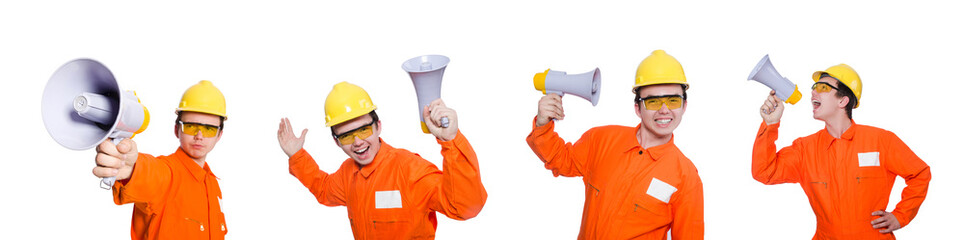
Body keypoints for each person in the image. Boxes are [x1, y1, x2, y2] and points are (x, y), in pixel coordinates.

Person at [526, 50, 703, 239]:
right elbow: (560, 160)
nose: (664, 110)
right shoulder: (601, 140)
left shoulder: (686, 177)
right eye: (653, 102)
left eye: (673, 100)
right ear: (638, 107)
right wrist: (543, 124)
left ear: (684, 106)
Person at [277, 81, 487, 239]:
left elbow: (465, 207)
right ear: (337, 142)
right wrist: (297, 156)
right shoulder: (347, 174)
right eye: (347, 135)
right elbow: (323, 189)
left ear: (378, 126)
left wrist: (450, 140)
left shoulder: (410, 169)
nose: (358, 141)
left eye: (364, 129)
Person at [754, 63, 931, 239]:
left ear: (843, 100)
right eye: (814, 87)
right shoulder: (805, 149)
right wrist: (770, 125)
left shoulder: (881, 141)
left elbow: (919, 173)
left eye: (822, 87)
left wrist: (900, 216)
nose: (813, 92)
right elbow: (765, 172)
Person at [92, 80, 230, 240]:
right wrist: (129, 167)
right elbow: (149, 173)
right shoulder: (167, 174)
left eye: (208, 129)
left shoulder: (213, 184)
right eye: (191, 126)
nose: (199, 136)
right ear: (177, 130)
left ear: (219, 135)